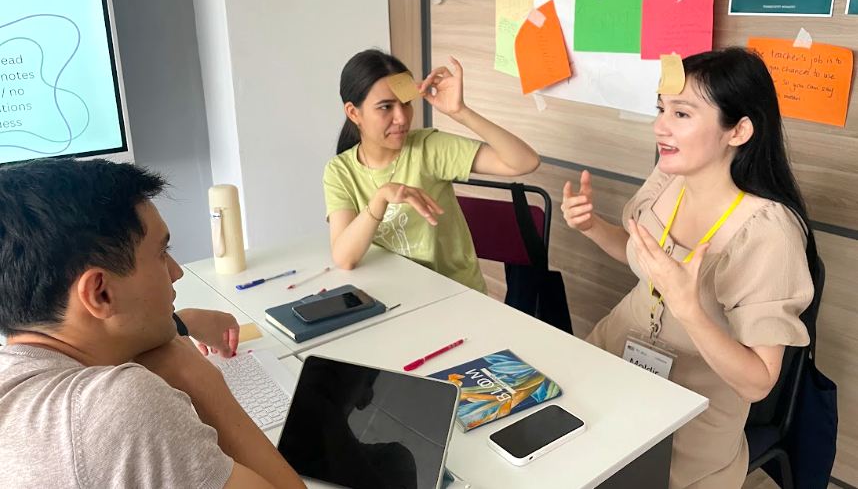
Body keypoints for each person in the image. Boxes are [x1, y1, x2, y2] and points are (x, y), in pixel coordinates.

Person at [561, 48, 816, 489]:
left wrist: (690, 310)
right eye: (661, 108)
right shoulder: (669, 178)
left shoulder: (768, 233)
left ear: (738, 130)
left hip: (693, 405)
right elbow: (645, 260)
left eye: (681, 113)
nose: (660, 126)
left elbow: (758, 383)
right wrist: (592, 227)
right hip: (612, 351)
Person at [0, 158, 306, 489]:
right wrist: (201, 382)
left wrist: (181, 323)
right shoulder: (119, 407)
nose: (176, 271)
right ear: (101, 293)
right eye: (162, 253)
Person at [324, 49, 540, 293]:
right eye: (385, 107)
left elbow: (525, 162)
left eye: (406, 103)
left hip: (454, 295)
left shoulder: (429, 148)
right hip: (395, 296)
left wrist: (461, 113)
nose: (401, 118)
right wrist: (380, 198)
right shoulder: (339, 171)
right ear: (354, 112)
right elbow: (344, 258)